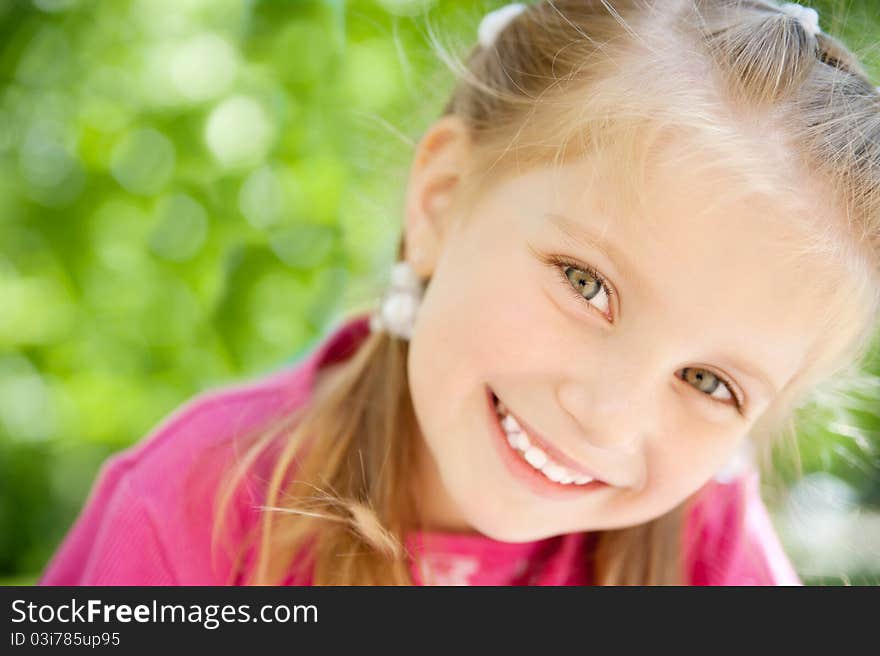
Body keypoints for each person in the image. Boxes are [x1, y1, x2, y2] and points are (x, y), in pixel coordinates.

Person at [40, 0, 880, 586]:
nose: (608, 415)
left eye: (710, 383)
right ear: (441, 200)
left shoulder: (707, 553)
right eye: (586, 285)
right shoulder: (200, 504)